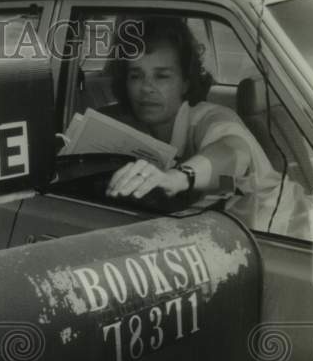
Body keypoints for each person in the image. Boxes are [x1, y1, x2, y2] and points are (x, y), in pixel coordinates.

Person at [100, 15, 300, 233]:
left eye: (162, 76)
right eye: (136, 76)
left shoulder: (209, 117)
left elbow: (234, 151)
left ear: (185, 82)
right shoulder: (131, 128)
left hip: (285, 232)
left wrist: (177, 178)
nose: (146, 88)